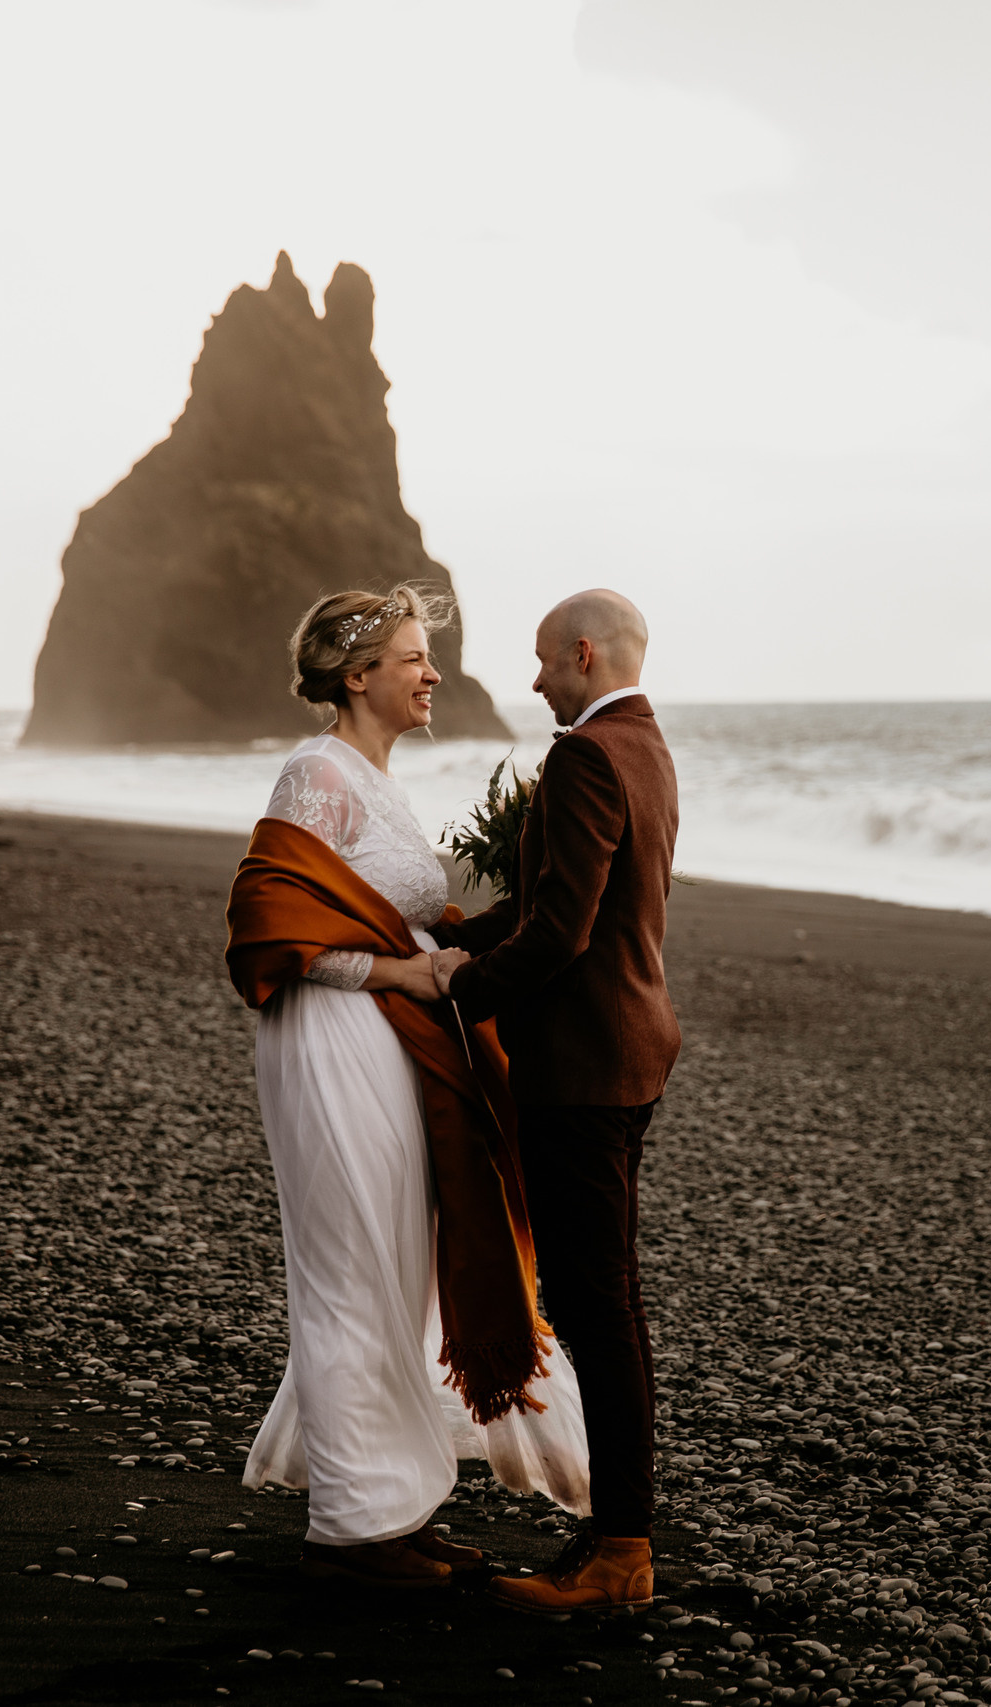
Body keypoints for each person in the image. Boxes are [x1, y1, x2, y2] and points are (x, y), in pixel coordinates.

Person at [222, 584, 589, 1591]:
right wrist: (400, 972)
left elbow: (393, 914)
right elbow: (269, 923)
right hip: (335, 1037)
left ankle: (395, 1506)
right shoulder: (317, 771)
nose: (433, 674)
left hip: (388, 1039)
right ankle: (351, 1531)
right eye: (415, 657)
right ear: (357, 676)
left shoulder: (376, 782)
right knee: (351, 1266)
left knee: (398, 1263)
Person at [428, 588, 679, 1615]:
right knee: (599, 1299)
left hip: (582, 1069)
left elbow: (561, 934)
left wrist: (450, 991)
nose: (532, 680)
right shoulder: (647, 745)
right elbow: (553, 913)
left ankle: (622, 1552)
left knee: (596, 1307)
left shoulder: (584, 755)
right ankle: (616, 1536)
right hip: (628, 1050)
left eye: (541, 661)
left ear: (582, 652)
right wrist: (454, 942)